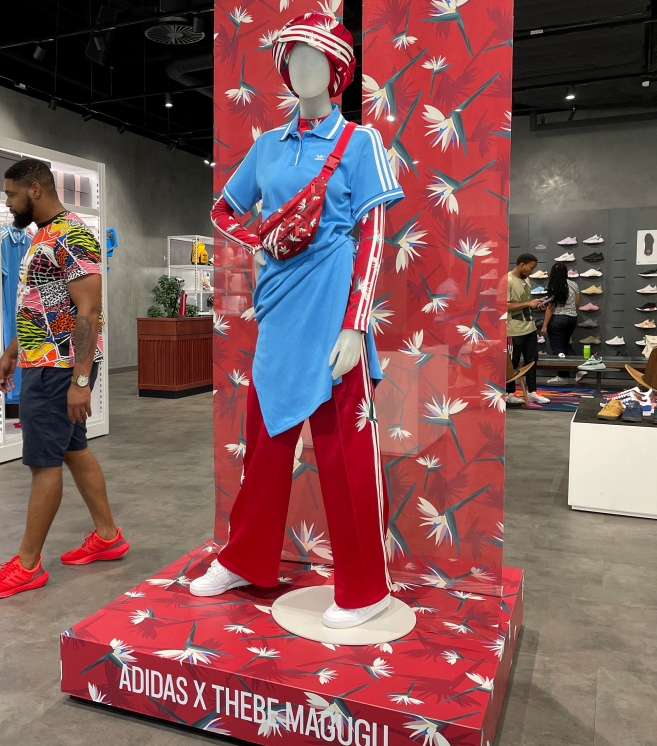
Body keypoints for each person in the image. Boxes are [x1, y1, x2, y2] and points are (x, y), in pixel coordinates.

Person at [192, 13, 402, 630]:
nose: (300, 68)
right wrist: (266, 241)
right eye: (292, 57)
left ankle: (367, 590)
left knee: (345, 455)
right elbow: (225, 209)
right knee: (264, 444)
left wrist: (355, 326)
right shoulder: (266, 147)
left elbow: (374, 235)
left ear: (337, 69)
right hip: (280, 310)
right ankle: (244, 559)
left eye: (314, 57)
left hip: (335, 310)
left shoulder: (359, 143)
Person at [0, 159, 127, 599]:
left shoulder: (72, 234)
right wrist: (9, 353)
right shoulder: (43, 235)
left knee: (44, 463)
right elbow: (40, 307)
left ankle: (27, 565)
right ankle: (108, 536)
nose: (7, 202)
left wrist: (80, 381)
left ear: (35, 189)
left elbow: (88, 311)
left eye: (11, 194)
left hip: (58, 368)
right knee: (72, 449)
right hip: (42, 360)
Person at [506, 253, 549, 404]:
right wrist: (528, 304)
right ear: (521, 264)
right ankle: (509, 393)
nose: (532, 272)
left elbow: (524, 304)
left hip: (529, 327)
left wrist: (536, 304)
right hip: (513, 329)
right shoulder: (508, 280)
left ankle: (532, 391)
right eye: (531, 268)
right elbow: (504, 305)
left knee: (532, 361)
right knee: (512, 362)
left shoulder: (527, 280)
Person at [539, 262, 579, 385]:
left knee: (558, 348)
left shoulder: (554, 286)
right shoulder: (574, 284)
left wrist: (544, 325)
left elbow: (550, 308)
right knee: (565, 345)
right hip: (572, 318)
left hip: (557, 319)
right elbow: (577, 303)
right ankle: (579, 369)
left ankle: (563, 376)